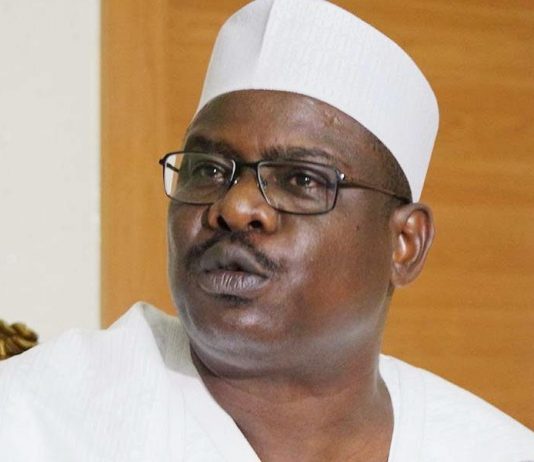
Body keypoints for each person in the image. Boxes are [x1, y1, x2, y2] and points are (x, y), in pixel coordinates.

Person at [0, 0, 533, 461]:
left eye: (301, 179)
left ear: (405, 244)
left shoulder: (494, 450)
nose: (235, 207)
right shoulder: (34, 421)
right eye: (208, 170)